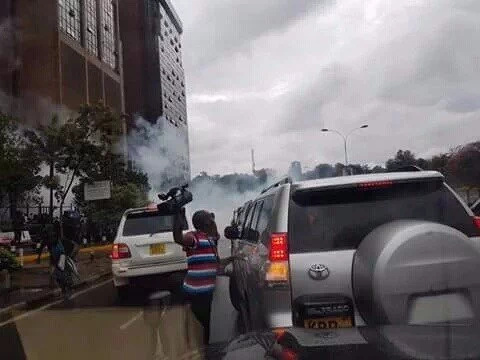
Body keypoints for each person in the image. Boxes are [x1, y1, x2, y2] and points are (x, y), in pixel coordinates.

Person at [172, 209, 232, 346]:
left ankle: (202, 349)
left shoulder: (210, 239)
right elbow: (178, 239)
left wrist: (234, 259)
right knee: (201, 327)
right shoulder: (194, 238)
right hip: (196, 293)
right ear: (206, 223)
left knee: (205, 327)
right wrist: (178, 219)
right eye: (209, 219)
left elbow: (216, 261)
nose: (212, 221)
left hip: (206, 293)